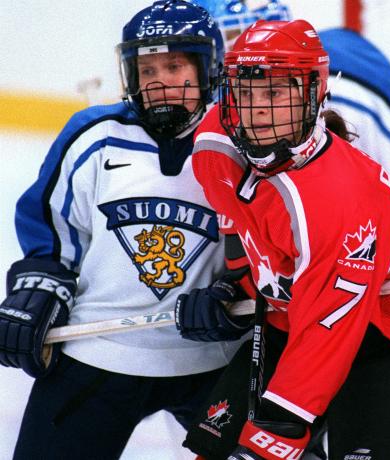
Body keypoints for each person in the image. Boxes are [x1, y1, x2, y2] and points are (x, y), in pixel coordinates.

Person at [198, 2, 390, 457]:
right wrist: (238, 281)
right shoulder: (214, 145)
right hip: (296, 316)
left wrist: (278, 431)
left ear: (314, 93)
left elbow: (327, 327)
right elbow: (240, 217)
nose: (257, 109)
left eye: (275, 92)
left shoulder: (340, 194)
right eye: (245, 89)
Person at [0, 1, 252, 458]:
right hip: (97, 348)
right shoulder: (94, 135)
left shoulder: (242, 142)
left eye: (174, 67)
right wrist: (39, 287)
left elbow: (270, 246)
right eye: (146, 69)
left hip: (213, 356)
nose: (158, 82)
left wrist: (233, 291)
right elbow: (52, 228)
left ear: (208, 69)